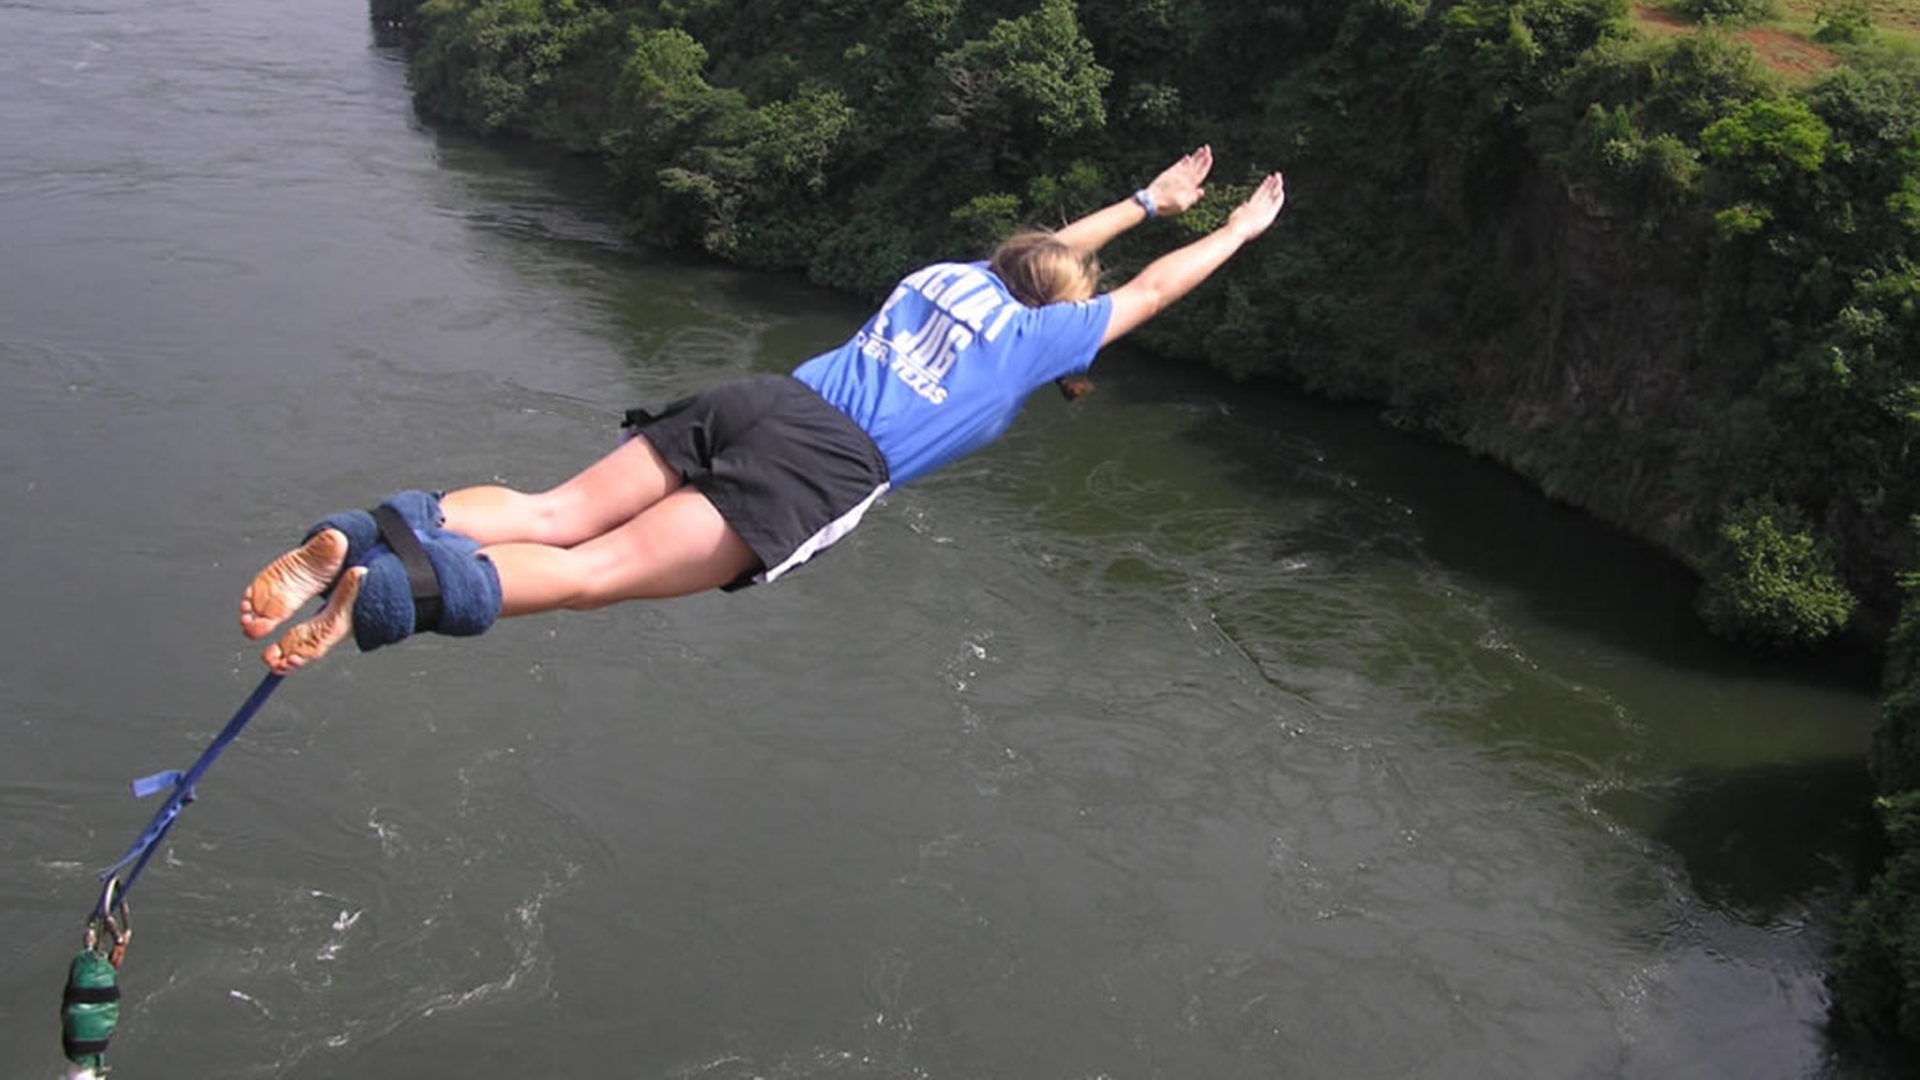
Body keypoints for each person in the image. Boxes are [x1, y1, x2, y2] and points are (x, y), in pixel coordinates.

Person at [240, 146, 1287, 674]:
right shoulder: (1040, 341)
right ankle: (385, 595)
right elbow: (1144, 293)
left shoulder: (951, 276)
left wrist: (1149, 202)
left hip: (762, 398)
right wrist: (1236, 234)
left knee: (554, 511)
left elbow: (1054, 256)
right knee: (590, 576)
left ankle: (367, 533)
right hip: (823, 467)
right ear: (1068, 305)